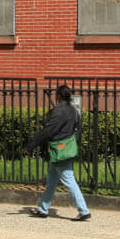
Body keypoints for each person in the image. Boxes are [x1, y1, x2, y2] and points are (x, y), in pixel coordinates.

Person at [25, 84, 90, 221]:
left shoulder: (58, 111)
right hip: (64, 150)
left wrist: (31, 145)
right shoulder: (74, 111)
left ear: (59, 96)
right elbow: (78, 131)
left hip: (59, 151)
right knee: (52, 181)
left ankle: (83, 210)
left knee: (69, 180)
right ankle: (43, 209)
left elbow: (48, 131)